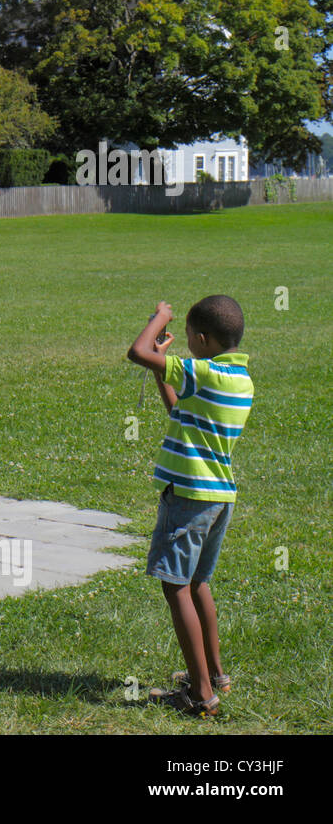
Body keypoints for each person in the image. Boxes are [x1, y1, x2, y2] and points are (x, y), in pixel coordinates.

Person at [127, 296, 253, 718]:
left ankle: (201, 697)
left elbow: (137, 353)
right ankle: (216, 675)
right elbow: (180, 410)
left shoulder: (202, 371)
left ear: (202, 339)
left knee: (175, 585)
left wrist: (159, 319)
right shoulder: (238, 379)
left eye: (187, 338)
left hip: (189, 498)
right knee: (198, 582)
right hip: (220, 498)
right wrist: (163, 369)